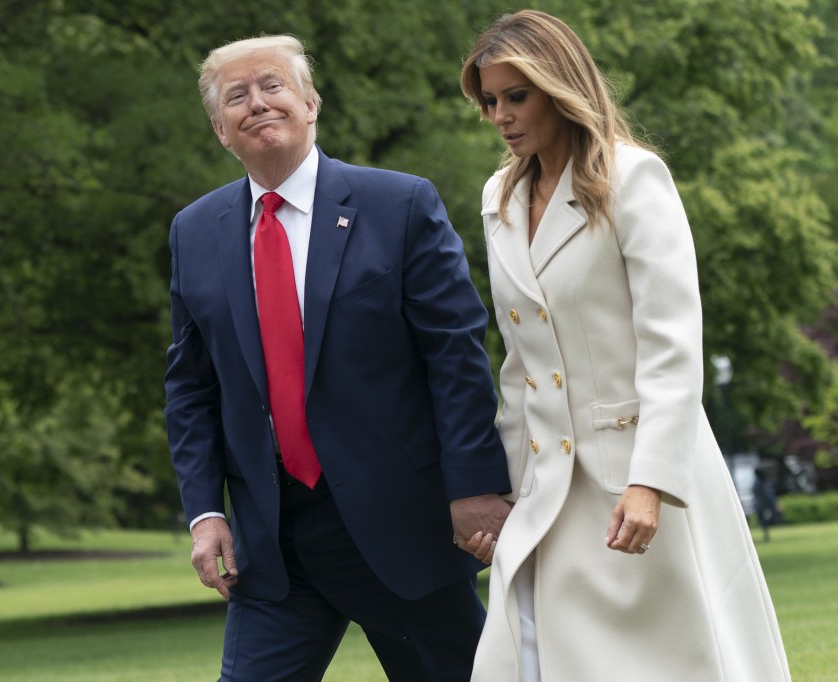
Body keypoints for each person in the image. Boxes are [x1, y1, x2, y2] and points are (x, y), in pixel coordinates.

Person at [165, 34, 512, 681]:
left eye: (273, 85)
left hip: (400, 531)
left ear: (310, 103)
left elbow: (456, 356)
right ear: (220, 129)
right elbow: (190, 388)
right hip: (272, 549)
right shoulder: (194, 231)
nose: (258, 103)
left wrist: (473, 484)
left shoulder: (399, 205)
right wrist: (205, 513)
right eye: (236, 97)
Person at [459, 10, 790, 681]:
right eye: (490, 101)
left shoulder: (635, 179)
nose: (501, 116)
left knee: (676, 661)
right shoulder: (498, 196)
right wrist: (509, 488)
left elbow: (671, 345)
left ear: (560, 86)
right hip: (547, 489)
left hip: (638, 478)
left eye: (516, 96)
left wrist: (650, 484)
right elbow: (521, 362)